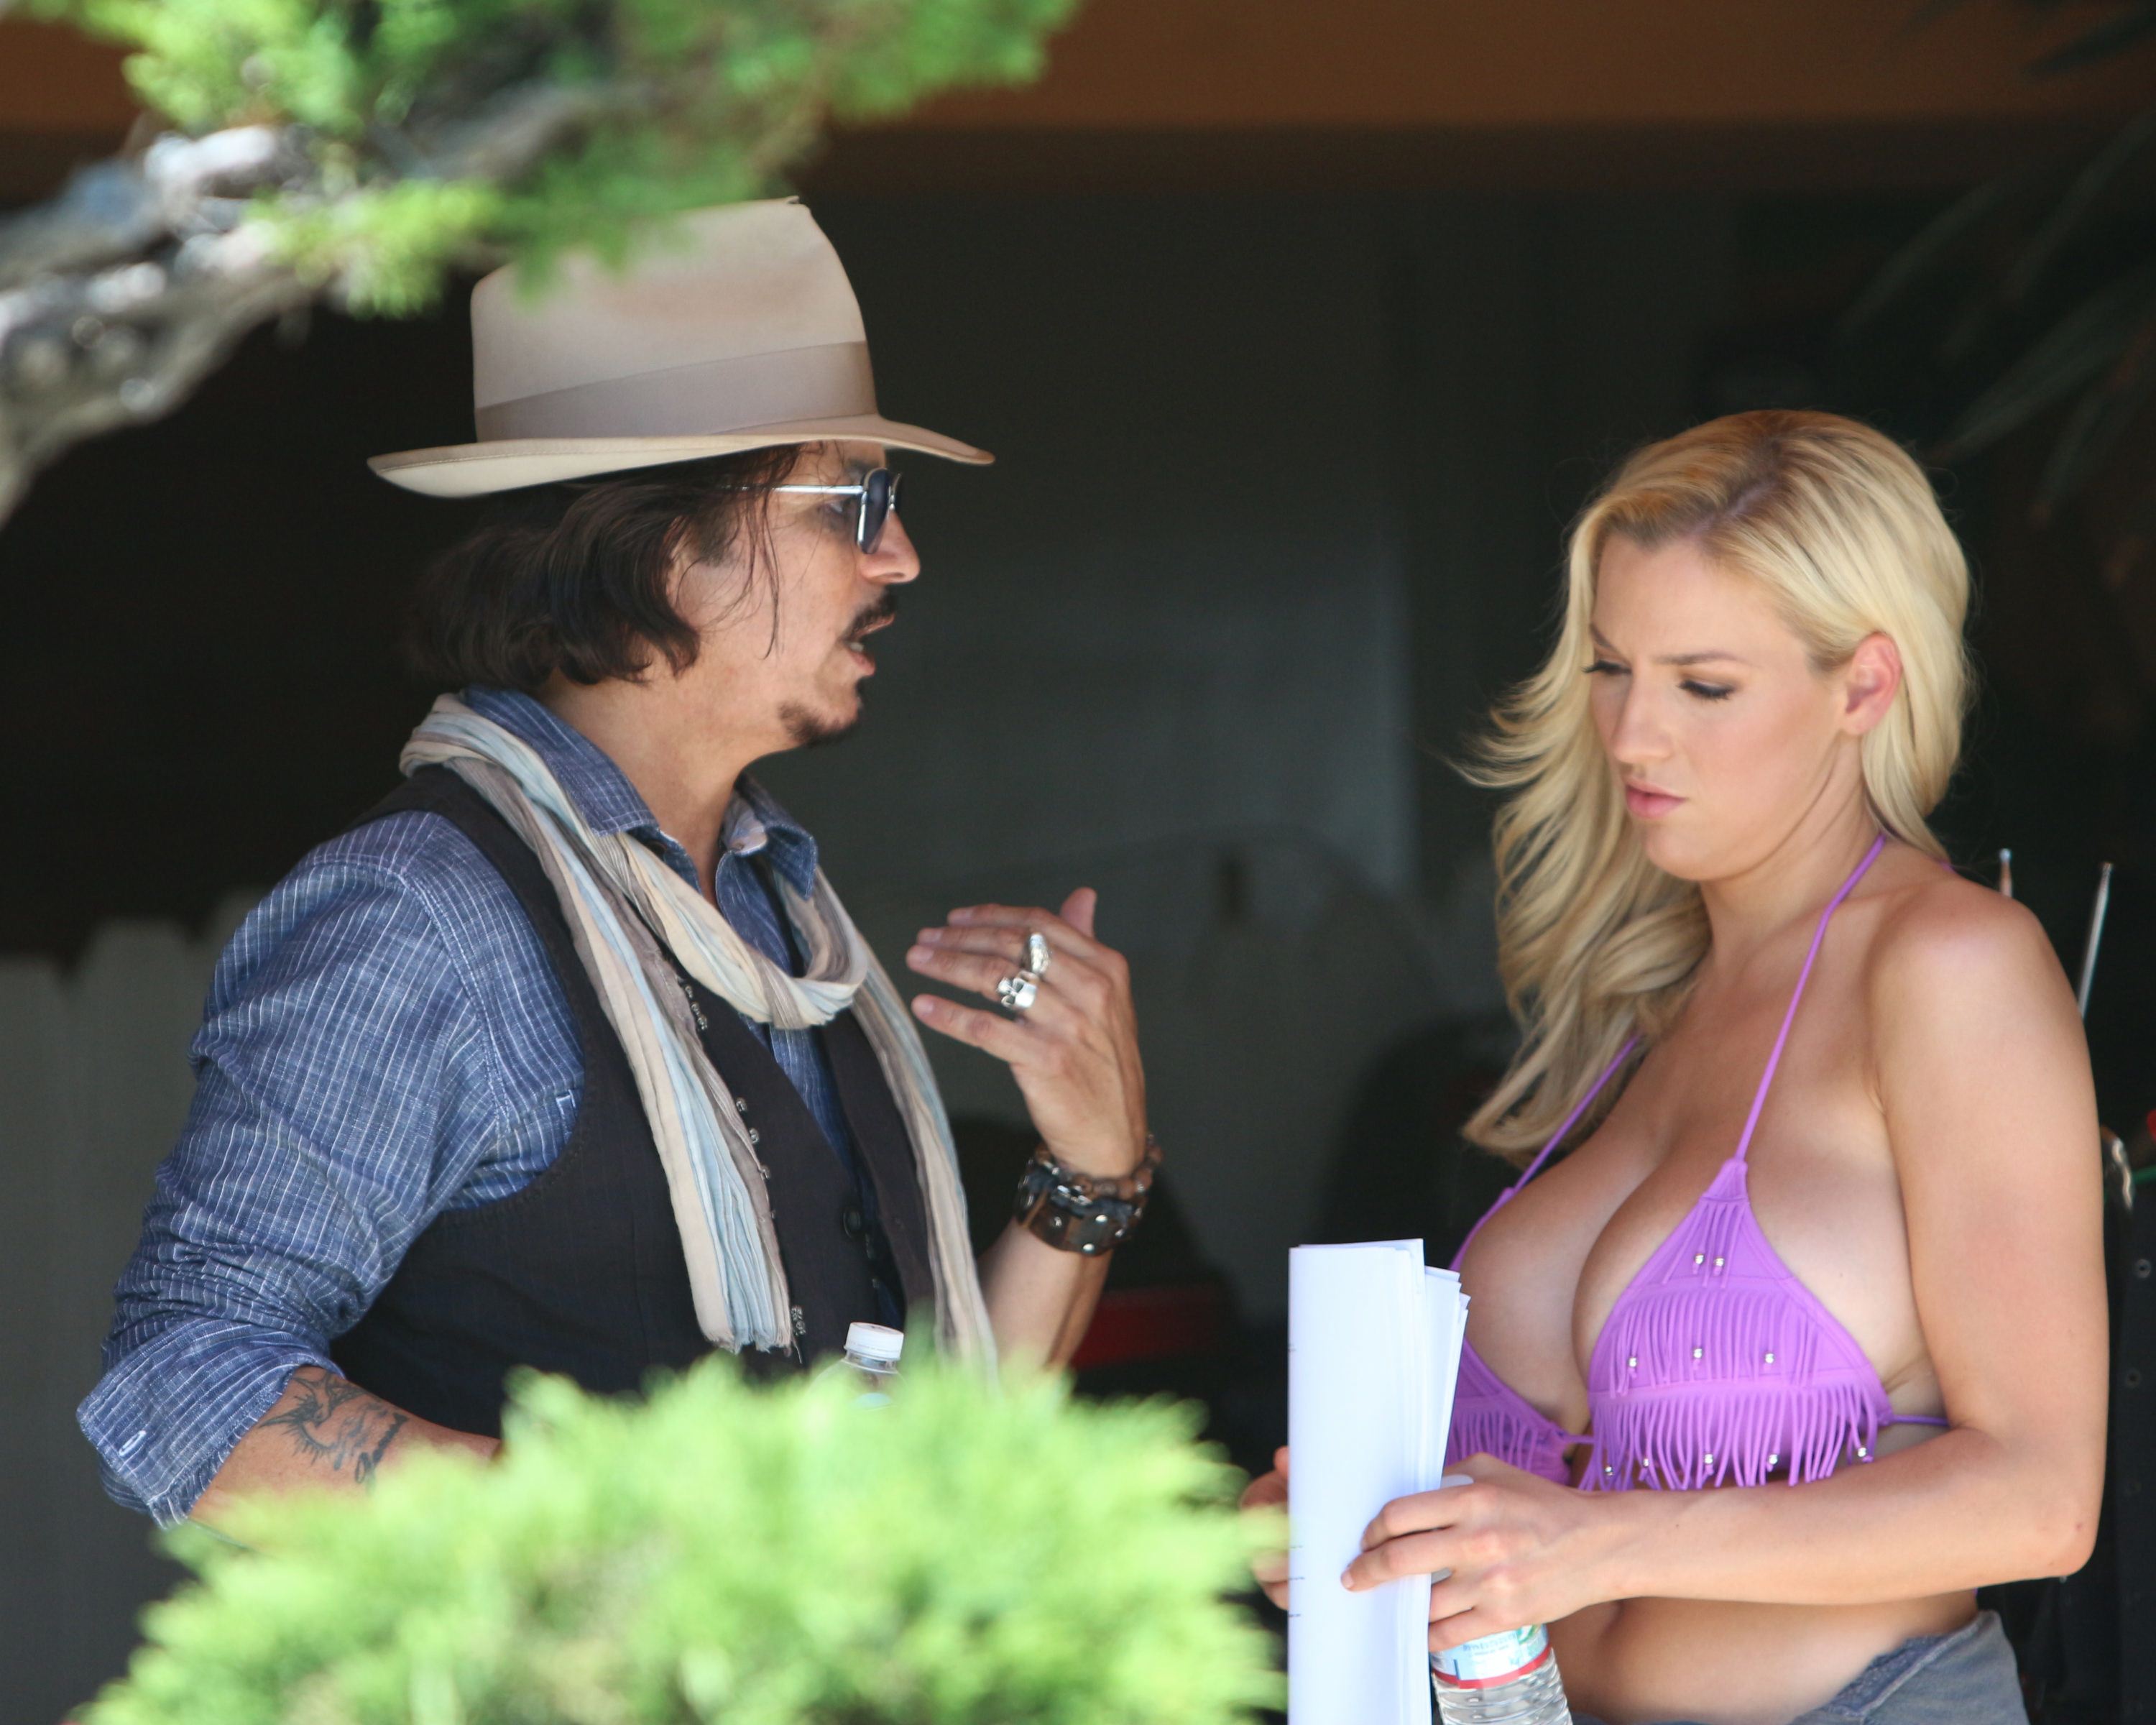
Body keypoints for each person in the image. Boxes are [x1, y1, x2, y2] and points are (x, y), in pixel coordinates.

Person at [78, 198, 1157, 1531]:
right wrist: (651, 1533)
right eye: (854, 503)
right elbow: (181, 1384)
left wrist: (1088, 1176)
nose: (901, 556)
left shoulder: (773, 904)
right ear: (659, 548)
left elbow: (930, 1470)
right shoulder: (422, 918)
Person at [1247, 410, 2106, 1724]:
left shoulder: (1949, 966)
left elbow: (2042, 1502)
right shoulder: (1652, 999)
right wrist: (1361, 1526)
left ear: (1864, 688)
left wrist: (1602, 1544)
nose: (1633, 734)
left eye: (1703, 686)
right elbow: (1543, 1515)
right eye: (1610, 668)